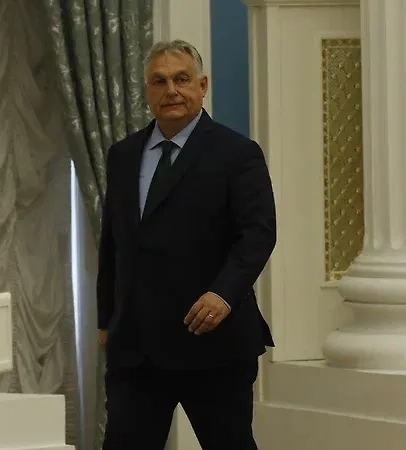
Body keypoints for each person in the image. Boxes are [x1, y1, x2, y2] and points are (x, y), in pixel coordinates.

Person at [97, 39, 276, 450]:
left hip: (212, 342)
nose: (171, 91)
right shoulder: (122, 155)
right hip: (136, 349)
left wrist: (222, 295)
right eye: (159, 81)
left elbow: (258, 233)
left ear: (202, 85)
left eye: (181, 79)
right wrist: (107, 320)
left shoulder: (237, 153)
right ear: (147, 90)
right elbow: (112, 242)